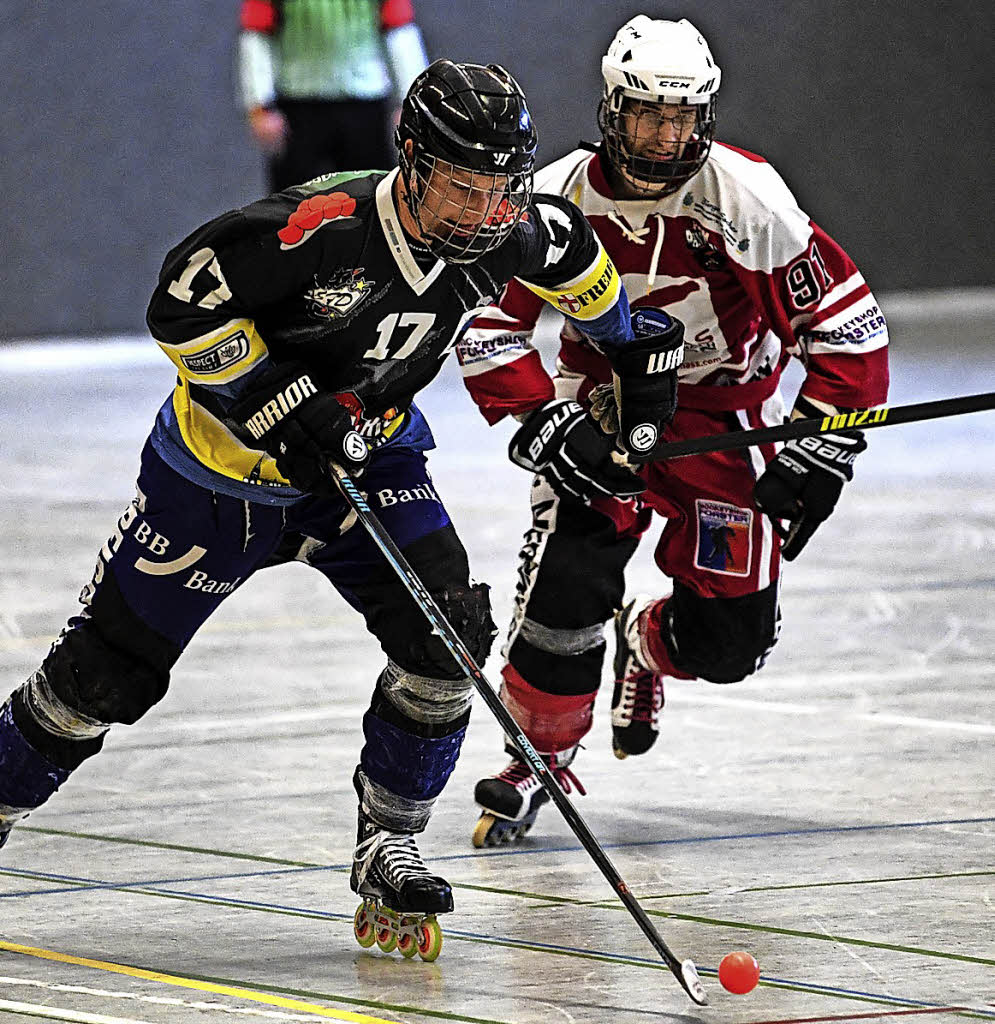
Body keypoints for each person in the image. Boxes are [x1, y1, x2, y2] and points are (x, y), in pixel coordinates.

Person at [0, 60, 682, 959]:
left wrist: (636, 365)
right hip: (220, 482)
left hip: (373, 463)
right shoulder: (315, 230)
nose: (484, 215)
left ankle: (389, 842)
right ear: (410, 163)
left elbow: (585, 273)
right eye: (462, 188)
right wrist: (284, 401)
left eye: (501, 190)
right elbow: (180, 307)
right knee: (102, 678)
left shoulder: (521, 235)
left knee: (447, 641)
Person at [460, 17, 891, 846]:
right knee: (560, 599)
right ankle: (536, 754)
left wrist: (819, 444)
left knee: (729, 644)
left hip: (723, 425)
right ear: (610, 110)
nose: (665, 137)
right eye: (647, 116)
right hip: (600, 416)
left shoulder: (749, 199)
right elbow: (486, 321)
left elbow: (842, 325)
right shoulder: (553, 200)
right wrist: (541, 422)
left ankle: (645, 647)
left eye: (683, 118)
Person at [237, 0, 429, 192]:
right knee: (293, 199)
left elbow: (400, 31)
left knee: (371, 196)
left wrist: (412, 101)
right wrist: (260, 105)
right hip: (298, 105)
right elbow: (257, 33)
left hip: (364, 104)